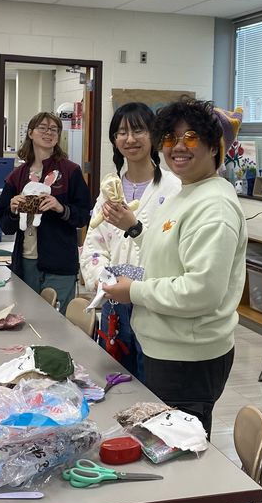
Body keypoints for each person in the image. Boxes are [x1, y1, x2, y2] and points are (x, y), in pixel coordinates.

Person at [102, 98, 247, 437]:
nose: (178, 147)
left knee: (178, 455)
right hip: (167, 346)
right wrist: (136, 229)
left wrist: (133, 291)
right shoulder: (188, 192)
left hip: (189, 358)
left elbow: (201, 291)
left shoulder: (214, 206)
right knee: (161, 443)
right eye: (170, 138)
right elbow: (170, 251)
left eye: (192, 137)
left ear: (215, 146)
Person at [80, 102, 180, 379]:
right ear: (114, 140)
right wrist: (105, 280)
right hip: (113, 299)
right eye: (121, 132)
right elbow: (93, 245)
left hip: (153, 299)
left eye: (138, 130)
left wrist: (135, 283)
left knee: (151, 379)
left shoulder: (174, 188)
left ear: (154, 136)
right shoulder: (108, 189)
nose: (130, 139)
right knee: (115, 377)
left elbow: (173, 249)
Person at [0, 111, 91, 314]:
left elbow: (83, 216)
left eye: (54, 129)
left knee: (59, 322)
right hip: (25, 262)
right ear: (30, 133)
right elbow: (5, 224)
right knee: (28, 318)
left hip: (59, 263)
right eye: (43, 128)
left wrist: (61, 208)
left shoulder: (70, 172)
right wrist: (13, 210)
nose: (49, 133)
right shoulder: (17, 176)